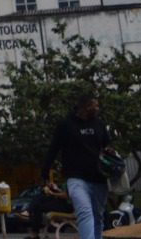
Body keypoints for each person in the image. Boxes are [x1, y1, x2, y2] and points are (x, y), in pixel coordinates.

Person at [39, 92, 117, 239]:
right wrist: (45, 172)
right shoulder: (66, 125)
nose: (98, 108)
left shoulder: (99, 124)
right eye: (95, 105)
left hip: (99, 179)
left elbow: (107, 144)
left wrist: (109, 149)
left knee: (97, 216)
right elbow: (53, 149)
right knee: (85, 212)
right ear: (85, 107)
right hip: (76, 179)